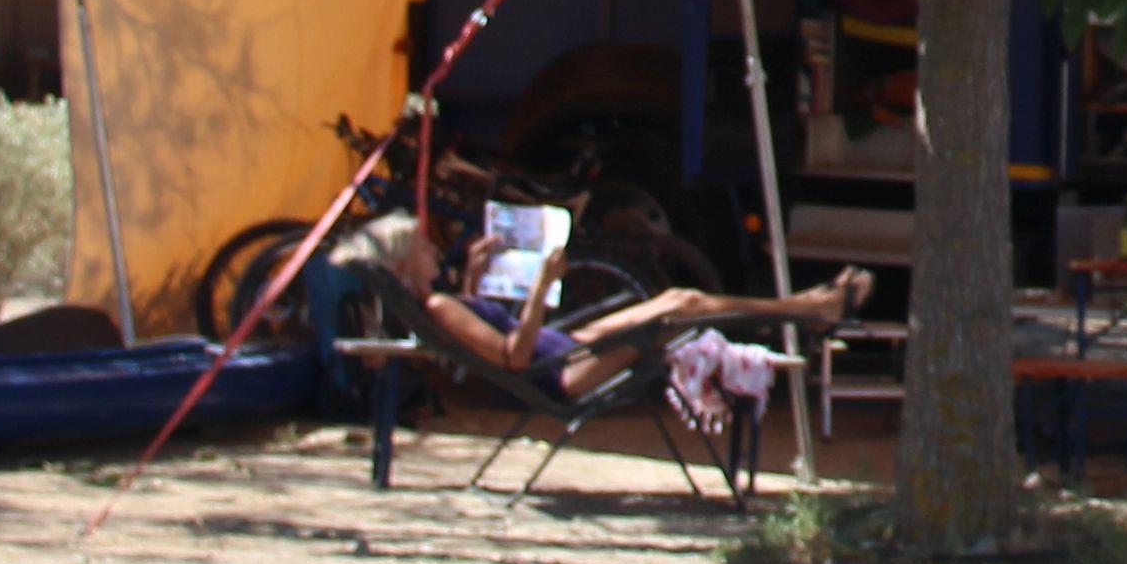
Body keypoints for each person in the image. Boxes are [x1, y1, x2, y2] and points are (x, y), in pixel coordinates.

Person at [331, 214, 870, 401]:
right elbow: (512, 357)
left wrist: (475, 274)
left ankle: (806, 306)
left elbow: (486, 335)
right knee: (684, 305)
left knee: (675, 300)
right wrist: (542, 287)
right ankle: (807, 309)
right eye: (422, 246)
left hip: (563, 350)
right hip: (560, 371)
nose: (432, 248)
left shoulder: (442, 302)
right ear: (404, 263)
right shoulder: (438, 307)